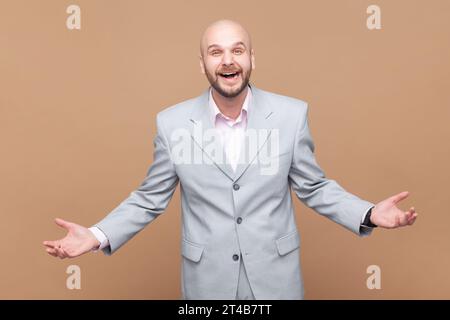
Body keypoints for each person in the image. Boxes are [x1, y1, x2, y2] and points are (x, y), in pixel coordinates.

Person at [43, 19, 418, 300]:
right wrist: (94, 236)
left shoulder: (291, 115)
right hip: (207, 284)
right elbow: (148, 199)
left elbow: (315, 187)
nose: (228, 60)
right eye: (216, 51)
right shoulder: (172, 123)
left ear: (252, 58)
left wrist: (368, 213)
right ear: (202, 63)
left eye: (238, 50)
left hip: (277, 281)